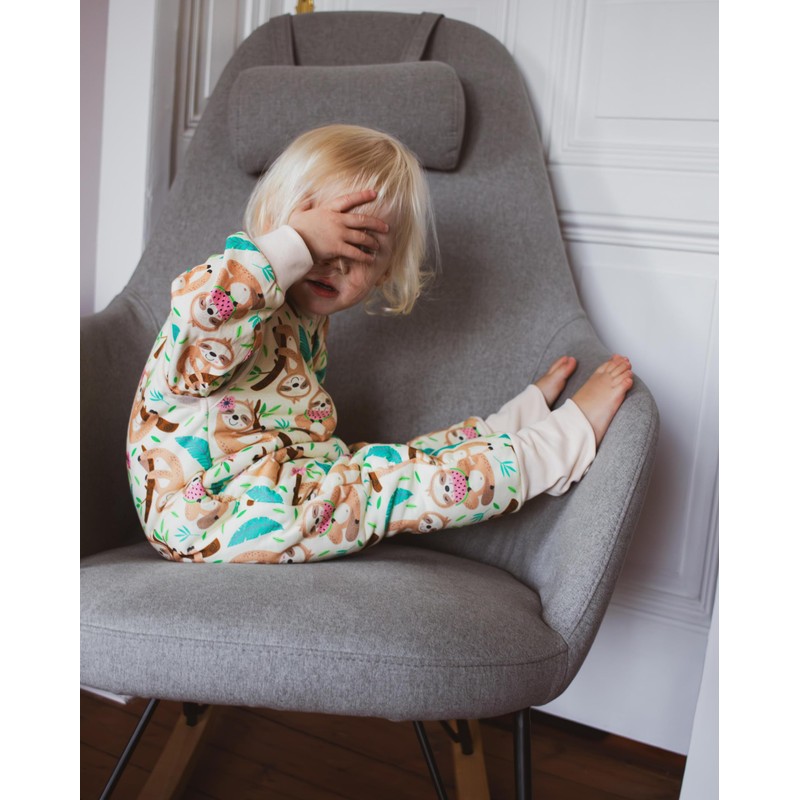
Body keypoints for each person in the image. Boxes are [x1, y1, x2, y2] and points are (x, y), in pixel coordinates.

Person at [126, 124, 633, 565]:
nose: (332, 260)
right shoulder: (232, 297)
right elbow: (202, 314)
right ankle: (550, 450)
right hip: (207, 510)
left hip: (275, 480)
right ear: (275, 228)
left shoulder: (306, 320)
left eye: (360, 247)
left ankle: (502, 429)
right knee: (385, 488)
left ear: (385, 272)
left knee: (382, 461)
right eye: (318, 236)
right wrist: (292, 245)